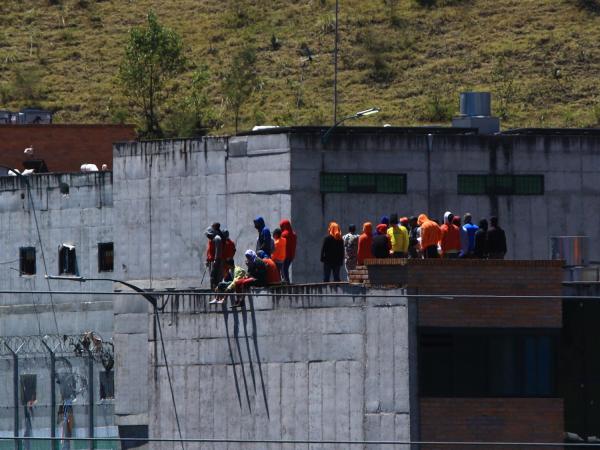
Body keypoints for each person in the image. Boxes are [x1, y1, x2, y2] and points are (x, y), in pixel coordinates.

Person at [205, 225, 223, 290]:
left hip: (216, 261)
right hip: (211, 261)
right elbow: (209, 250)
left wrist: (216, 260)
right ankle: (213, 290)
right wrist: (207, 260)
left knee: (216, 278)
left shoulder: (217, 238)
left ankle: (217, 293)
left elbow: (218, 250)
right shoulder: (211, 240)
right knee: (212, 277)